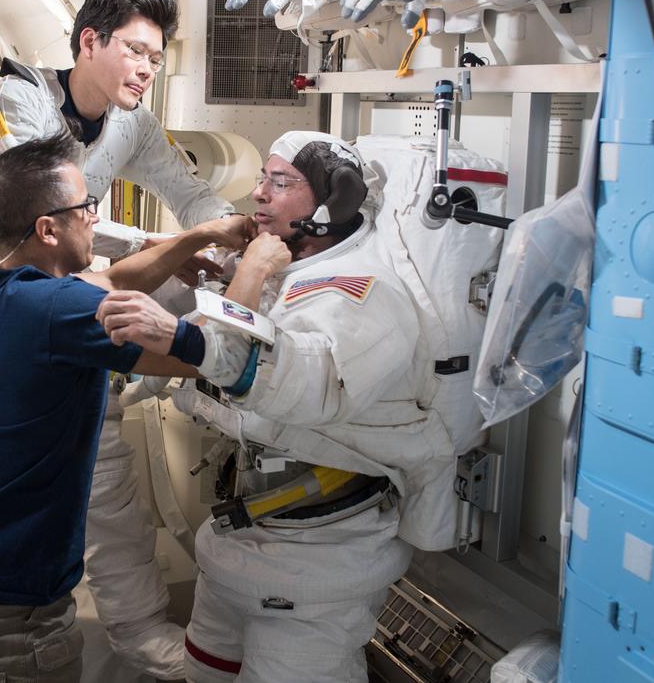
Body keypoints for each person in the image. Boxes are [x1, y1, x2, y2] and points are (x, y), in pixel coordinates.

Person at [0, 0, 233, 683]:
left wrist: (233, 240)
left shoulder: (133, 124)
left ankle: (139, 634)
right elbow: (54, 221)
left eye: (156, 58)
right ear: (88, 43)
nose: (145, 68)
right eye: (134, 49)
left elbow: (190, 195)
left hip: (58, 285)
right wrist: (181, 247)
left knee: (95, 461)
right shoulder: (22, 100)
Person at [96, 131, 469, 682]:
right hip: (244, 534)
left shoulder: (364, 291)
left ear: (331, 201)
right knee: (205, 674)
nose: (259, 194)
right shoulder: (285, 273)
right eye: (261, 179)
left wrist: (205, 316)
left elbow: (302, 377)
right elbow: (206, 352)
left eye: (281, 182)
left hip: (319, 554)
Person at [0, 134, 252, 683]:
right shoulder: (58, 312)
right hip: (10, 613)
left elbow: (112, 280)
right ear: (48, 229)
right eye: (85, 208)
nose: (94, 218)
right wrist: (259, 265)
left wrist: (195, 238)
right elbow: (220, 355)